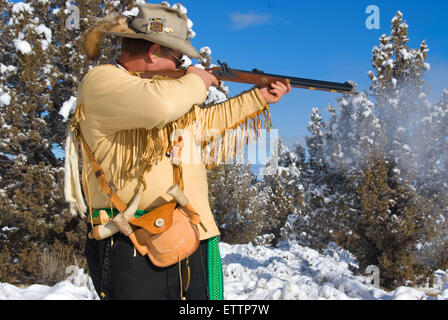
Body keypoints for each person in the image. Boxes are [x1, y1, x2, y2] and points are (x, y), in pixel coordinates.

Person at [65, 3, 291, 300]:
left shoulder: (157, 90)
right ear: (154, 52)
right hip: (133, 243)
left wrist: (257, 97)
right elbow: (163, 105)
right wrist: (198, 79)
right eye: (178, 57)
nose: (181, 65)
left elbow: (202, 123)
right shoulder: (103, 82)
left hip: (187, 234)